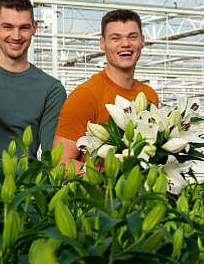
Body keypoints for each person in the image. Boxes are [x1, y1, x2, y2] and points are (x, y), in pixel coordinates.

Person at [0, 0, 66, 160]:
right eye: (8, 27)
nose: (16, 36)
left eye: (24, 27)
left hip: (22, 183)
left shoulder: (51, 90)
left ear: (34, 28)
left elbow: (52, 159)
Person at [53, 9, 158, 171]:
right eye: (115, 38)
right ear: (102, 43)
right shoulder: (85, 96)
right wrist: (111, 175)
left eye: (132, 37)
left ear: (142, 41)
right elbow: (60, 164)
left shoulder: (149, 95)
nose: (126, 43)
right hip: (100, 195)